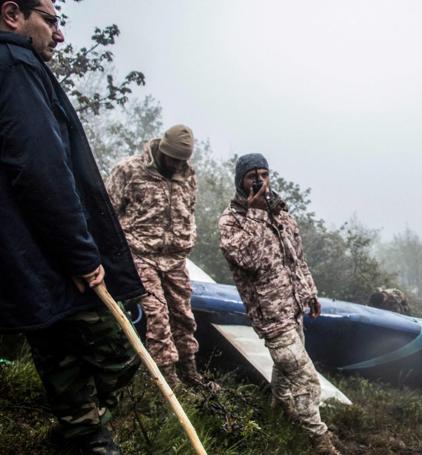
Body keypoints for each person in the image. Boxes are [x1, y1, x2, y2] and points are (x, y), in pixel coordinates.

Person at [0, 1, 145, 453]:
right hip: (49, 253)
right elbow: (41, 167)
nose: (59, 35)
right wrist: (81, 254)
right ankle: (82, 431)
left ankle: (79, 433)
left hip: (29, 254)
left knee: (57, 343)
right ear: (12, 15)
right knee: (117, 347)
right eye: (51, 19)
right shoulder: (16, 64)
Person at [218, 154, 340, 455]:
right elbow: (249, 260)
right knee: (307, 380)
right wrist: (256, 213)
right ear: (240, 181)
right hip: (271, 316)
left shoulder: (282, 214)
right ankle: (320, 442)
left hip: (293, 306)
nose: (259, 181)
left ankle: (279, 411)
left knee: (286, 371)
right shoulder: (232, 221)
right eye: (252, 176)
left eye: (264, 174)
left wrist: (309, 293)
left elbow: (297, 258)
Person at [106, 125, 213, 389]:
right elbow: (105, 211)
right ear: (163, 150)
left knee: (184, 317)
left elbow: (189, 209)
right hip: (140, 253)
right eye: (173, 158)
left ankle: (190, 373)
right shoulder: (129, 170)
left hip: (175, 259)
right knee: (157, 315)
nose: (177, 164)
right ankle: (167, 380)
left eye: (182, 160)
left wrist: (188, 237)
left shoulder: (188, 176)